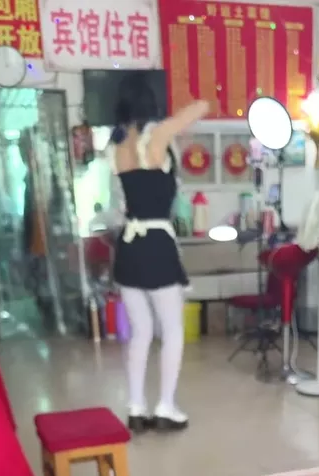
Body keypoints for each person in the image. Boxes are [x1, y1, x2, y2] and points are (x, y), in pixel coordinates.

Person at [111, 79, 209, 432]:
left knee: (140, 332)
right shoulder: (157, 136)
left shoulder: (119, 143)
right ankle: (165, 406)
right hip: (156, 244)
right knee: (172, 331)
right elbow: (202, 106)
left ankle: (136, 407)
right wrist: (172, 119)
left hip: (128, 246)